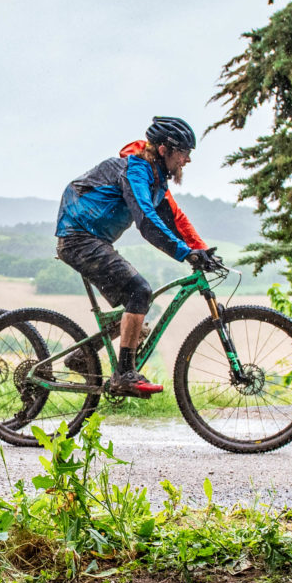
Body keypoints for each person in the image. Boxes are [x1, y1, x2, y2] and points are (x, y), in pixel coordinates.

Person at [54, 116, 226, 396]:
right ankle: (124, 375)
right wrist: (185, 254)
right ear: (163, 150)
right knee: (140, 291)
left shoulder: (157, 181)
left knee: (136, 306)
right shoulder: (136, 171)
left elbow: (174, 220)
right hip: (78, 239)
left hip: (92, 239)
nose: (187, 160)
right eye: (183, 152)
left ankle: (83, 354)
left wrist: (202, 251)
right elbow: (146, 220)